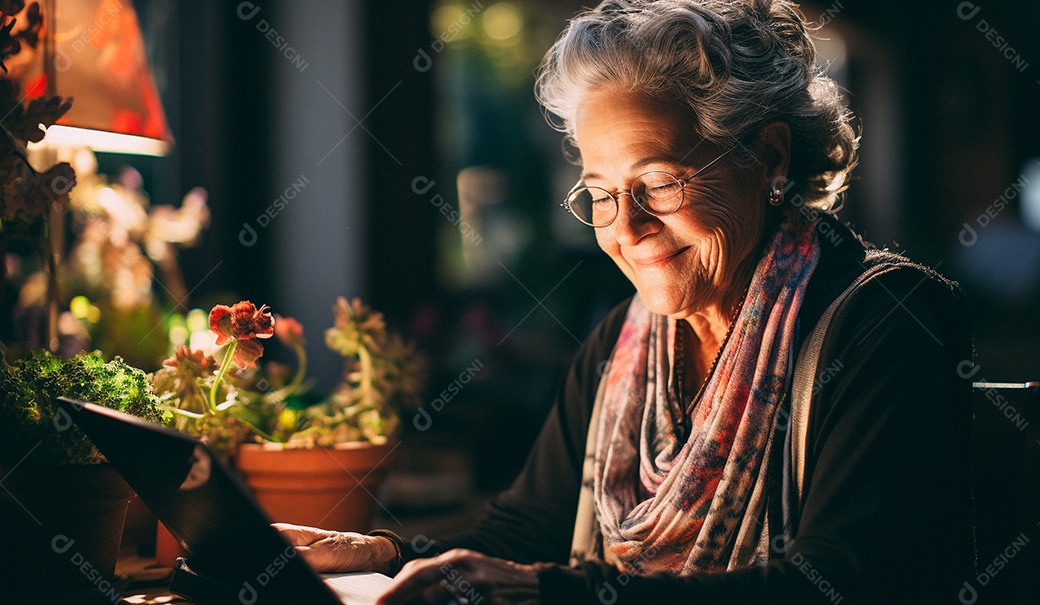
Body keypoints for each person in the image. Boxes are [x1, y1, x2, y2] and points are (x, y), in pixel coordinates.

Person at [278, 1, 974, 603]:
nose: (627, 229)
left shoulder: (881, 324)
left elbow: (835, 586)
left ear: (770, 157)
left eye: (661, 183)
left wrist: (550, 594)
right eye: (602, 195)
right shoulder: (623, 341)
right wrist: (379, 553)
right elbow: (526, 532)